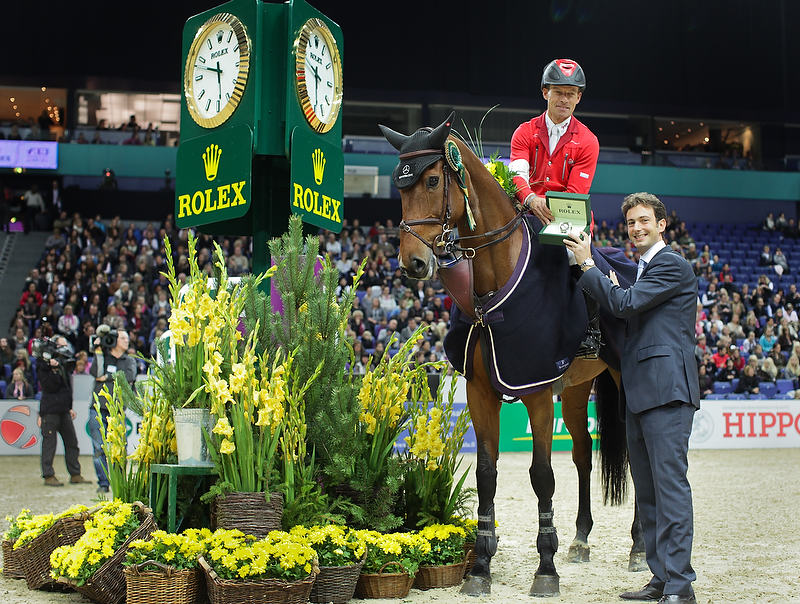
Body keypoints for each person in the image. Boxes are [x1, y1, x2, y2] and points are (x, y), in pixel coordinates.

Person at [565, 192, 699, 603]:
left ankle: (680, 585)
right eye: (630, 223)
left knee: (670, 490)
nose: (636, 228)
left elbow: (624, 305)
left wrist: (587, 264)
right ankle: (661, 578)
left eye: (644, 221)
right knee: (649, 493)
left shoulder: (670, 264)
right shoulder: (643, 270)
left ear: (661, 224)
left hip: (666, 392)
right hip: (639, 394)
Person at [509, 58, 601, 358]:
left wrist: (542, 205)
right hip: (526, 210)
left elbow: (575, 193)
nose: (564, 99)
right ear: (545, 92)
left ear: (579, 97)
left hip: (567, 214)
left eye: (571, 93)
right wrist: (529, 199)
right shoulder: (524, 131)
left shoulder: (588, 141)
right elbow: (517, 175)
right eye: (559, 92)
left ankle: (590, 331)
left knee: (577, 255)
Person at [89, 326, 137, 493]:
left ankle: (119, 481)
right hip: (98, 408)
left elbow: (128, 377)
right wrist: (98, 352)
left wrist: (107, 377)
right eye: (123, 338)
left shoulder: (129, 360)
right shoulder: (103, 356)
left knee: (119, 447)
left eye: (127, 338)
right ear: (114, 340)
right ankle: (103, 483)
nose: (126, 341)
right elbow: (96, 373)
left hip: (117, 409)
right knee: (98, 447)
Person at [38, 336, 90, 486]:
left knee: (72, 442)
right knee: (49, 445)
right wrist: (53, 369)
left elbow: (67, 388)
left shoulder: (64, 366)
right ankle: (48, 475)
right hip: (50, 411)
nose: (65, 349)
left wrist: (69, 407)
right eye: (62, 346)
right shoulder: (43, 366)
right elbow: (49, 387)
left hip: (64, 410)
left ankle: (75, 474)